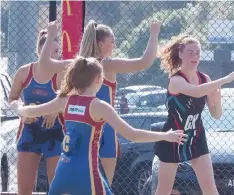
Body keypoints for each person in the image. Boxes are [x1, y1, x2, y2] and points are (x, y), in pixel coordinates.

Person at [10, 57, 187, 195]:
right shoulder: (99, 106)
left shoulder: (64, 101)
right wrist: (165, 136)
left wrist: (17, 106)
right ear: (97, 78)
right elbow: (132, 134)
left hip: (63, 171)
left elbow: (29, 112)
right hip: (86, 173)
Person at [38, 19, 161, 185]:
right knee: (89, 185)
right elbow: (144, 62)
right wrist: (154, 33)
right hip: (88, 132)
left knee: (94, 185)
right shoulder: (96, 65)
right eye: (112, 41)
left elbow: (45, 63)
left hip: (100, 133)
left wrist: (52, 33)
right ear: (100, 43)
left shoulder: (91, 65)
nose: (114, 45)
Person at [153, 35, 234, 195]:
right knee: (164, 190)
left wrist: (216, 100)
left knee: (210, 188)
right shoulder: (176, 80)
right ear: (180, 54)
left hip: (196, 135)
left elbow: (216, 114)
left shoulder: (205, 79)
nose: (194, 57)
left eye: (197, 52)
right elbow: (195, 92)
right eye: (190, 52)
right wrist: (225, 79)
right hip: (174, 136)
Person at [8, 30, 65, 195]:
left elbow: (71, 101)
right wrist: (22, 112)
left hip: (55, 134)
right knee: (24, 189)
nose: (54, 56)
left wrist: (55, 109)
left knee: (57, 189)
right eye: (49, 52)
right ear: (39, 51)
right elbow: (12, 98)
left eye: (56, 52)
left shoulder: (62, 74)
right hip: (29, 133)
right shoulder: (24, 72)